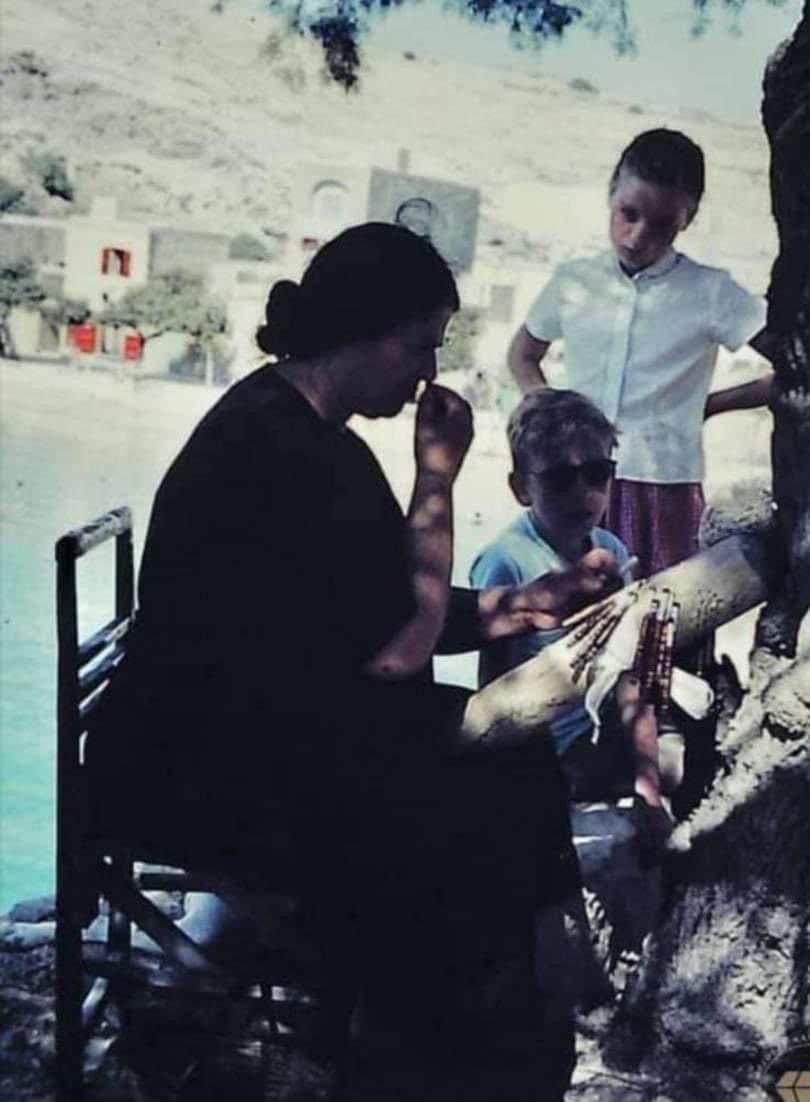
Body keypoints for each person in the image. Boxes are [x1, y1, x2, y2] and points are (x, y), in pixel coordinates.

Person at [86, 222, 623, 1100]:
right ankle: (436, 1055)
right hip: (200, 770)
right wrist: (439, 479)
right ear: (362, 329)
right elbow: (398, 652)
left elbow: (379, 615)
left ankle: (492, 1033)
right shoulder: (287, 452)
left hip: (262, 731)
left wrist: (534, 600)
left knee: (517, 768)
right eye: (419, 344)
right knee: (470, 833)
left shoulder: (306, 432)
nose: (426, 373)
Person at [507, 128, 773, 577]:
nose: (636, 236)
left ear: (686, 220)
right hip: (571, 481)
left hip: (662, 488)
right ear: (610, 193)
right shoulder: (575, 280)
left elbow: (796, 365)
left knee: (662, 619)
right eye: (627, 214)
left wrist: (709, 406)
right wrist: (552, 411)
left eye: (661, 224)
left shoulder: (711, 292)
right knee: (564, 618)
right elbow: (522, 354)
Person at [470, 388, 680, 818]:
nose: (583, 492)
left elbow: (635, 674)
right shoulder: (505, 562)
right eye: (560, 478)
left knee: (681, 752)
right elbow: (492, 690)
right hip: (551, 750)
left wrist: (649, 782)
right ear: (521, 489)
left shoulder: (612, 551)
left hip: (607, 724)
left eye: (598, 473)